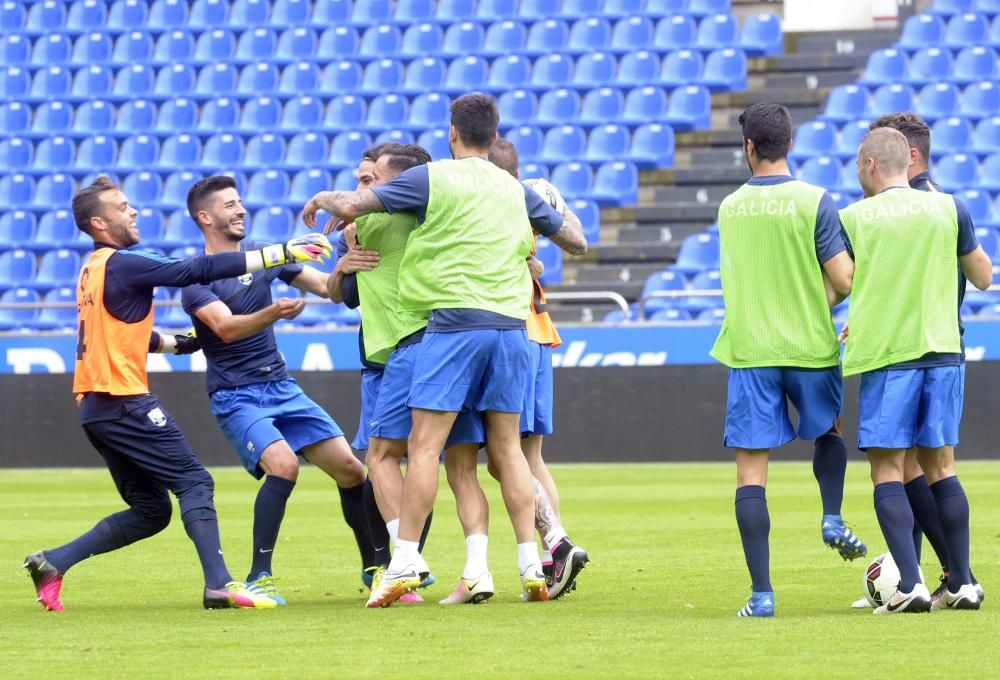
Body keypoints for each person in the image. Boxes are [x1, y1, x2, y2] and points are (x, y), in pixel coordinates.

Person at [303, 94, 587, 607]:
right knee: (506, 450)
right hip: (511, 329)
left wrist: (322, 198)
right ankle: (530, 565)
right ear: (494, 136)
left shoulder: (436, 179)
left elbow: (350, 206)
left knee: (426, 446)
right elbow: (575, 241)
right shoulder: (513, 188)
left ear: (453, 132)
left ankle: (405, 559)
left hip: (453, 325)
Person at [24, 176, 331, 611]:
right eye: (122, 207)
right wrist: (281, 253)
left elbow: (129, 333)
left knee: (152, 511)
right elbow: (193, 269)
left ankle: (53, 562)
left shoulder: (93, 269)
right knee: (195, 481)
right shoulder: (124, 261)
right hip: (123, 399)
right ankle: (220, 585)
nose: (133, 211)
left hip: (96, 406)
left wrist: (181, 343)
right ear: (99, 222)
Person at [177, 175, 373, 605]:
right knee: (283, 465)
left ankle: (374, 567)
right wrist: (273, 313)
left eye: (241, 201)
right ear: (205, 217)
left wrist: (342, 264)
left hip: (281, 386)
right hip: (236, 394)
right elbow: (225, 328)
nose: (241, 209)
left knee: (353, 471)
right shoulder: (195, 278)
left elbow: (327, 290)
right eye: (230, 204)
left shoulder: (262, 255)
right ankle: (259, 577)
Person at [709, 102, 865, 618]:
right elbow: (844, 278)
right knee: (829, 433)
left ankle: (762, 595)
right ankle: (832, 516)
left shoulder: (729, 207)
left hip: (751, 351)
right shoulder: (816, 200)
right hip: (809, 346)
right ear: (789, 145)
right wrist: (812, 302)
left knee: (750, 475)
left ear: (749, 146)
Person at [330, 143, 491, 606]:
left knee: (382, 457)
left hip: (408, 346)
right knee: (462, 466)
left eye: (370, 178)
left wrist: (337, 218)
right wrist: (342, 266)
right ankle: (478, 569)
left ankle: (407, 560)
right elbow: (337, 290)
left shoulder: (371, 223)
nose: (362, 187)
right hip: (460, 340)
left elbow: (346, 215)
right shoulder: (449, 217)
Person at [840, 127, 992, 613]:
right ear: (908, 161)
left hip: (890, 356)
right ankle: (963, 582)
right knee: (942, 467)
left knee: (887, 468)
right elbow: (984, 277)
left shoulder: (854, 218)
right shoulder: (950, 207)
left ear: (868, 165)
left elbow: (843, 283)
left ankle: (910, 585)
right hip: (945, 352)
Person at [486, 138, 589, 599]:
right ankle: (552, 556)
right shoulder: (538, 191)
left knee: (503, 456)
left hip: (510, 331)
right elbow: (579, 235)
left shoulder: (490, 198)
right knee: (529, 457)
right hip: (540, 330)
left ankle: (556, 547)